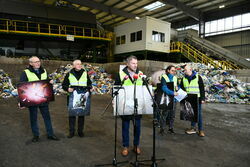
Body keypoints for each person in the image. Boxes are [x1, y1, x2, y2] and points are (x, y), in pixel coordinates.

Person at [19, 56, 59, 142]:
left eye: (39, 61)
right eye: (35, 62)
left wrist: (50, 81)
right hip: (32, 99)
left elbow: (46, 82)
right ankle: (36, 136)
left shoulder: (44, 71)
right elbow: (22, 88)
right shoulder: (25, 73)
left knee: (47, 117)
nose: (38, 63)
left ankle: (50, 134)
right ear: (31, 63)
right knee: (33, 118)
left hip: (43, 98)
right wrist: (21, 102)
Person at [114, 55, 144, 156]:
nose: (135, 65)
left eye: (136, 63)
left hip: (137, 105)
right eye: (133, 63)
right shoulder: (121, 74)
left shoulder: (140, 74)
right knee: (125, 127)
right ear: (127, 64)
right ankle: (125, 146)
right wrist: (114, 100)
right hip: (125, 105)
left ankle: (136, 145)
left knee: (137, 127)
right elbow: (115, 88)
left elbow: (144, 88)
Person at [62, 60, 92, 138]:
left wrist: (90, 88)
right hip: (72, 96)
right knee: (72, 115)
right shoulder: (69, 74)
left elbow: (89, 83)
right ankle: (71, 132)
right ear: (73, 65)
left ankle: (80, 131)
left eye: (80, 64)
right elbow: (64, 85)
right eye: (77, 64)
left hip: (82, 96)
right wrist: (68, 89)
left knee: (81, 114)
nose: (79, 65)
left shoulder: (85, 73)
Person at [180, 64, 205, 137]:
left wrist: (203, 99)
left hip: (197, 98)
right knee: (191, 113)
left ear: (190, 69)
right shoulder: (183, 78)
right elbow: (182, 88)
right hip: (189, 99)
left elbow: (202, 88)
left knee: (198, 115)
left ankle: (201, 130)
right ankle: (193, 128)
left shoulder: (198, 77)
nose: (184, 71)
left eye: (185, 70)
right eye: (184, 70)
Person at [161, 65, 179, 134]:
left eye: (174, 71)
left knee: (172, 115)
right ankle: (162, 128)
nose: (174, 72)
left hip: (174, 100)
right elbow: (164, 88)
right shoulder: (164, 77)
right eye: (172, 70)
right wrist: (172, 93)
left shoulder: (175, 78)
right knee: (165, 114)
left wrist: (178, 89)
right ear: (168, 70)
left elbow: (177, 86)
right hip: (167, 99)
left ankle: (170, 128)